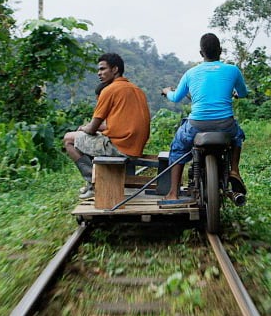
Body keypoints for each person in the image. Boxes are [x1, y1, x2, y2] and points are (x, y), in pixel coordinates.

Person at [161, 33, 248, 201]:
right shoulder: (232, 70)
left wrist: (167, 91)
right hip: (225, 125)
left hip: (196, 125)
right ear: (220, 51)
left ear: (201, 53)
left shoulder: (190, 73)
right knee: (238, 136)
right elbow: (243, 93)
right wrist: (235, 93)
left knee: (178, 147)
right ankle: (234, 170)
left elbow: (176, 98)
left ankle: (173, 192)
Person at [63, 53, 151, 200]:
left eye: (103, 69)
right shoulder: (137, 90)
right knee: (89, 139)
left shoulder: (109, 90)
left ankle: (94, 182)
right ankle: (96, 180)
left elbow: (91, 128)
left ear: (115, 69)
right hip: (135, 146)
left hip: (120, 147)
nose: (99, 73)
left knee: (68, 139)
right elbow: (116, 124)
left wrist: (83, 128)